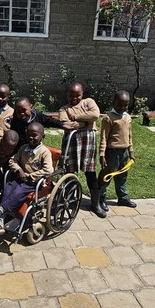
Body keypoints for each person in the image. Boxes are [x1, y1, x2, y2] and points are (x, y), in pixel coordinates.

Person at [0, 123, 53, 235]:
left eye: (34, 135)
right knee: (8, 187)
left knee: (18, 191)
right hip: (21, 178)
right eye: (28, 135)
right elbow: (12, 160)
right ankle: (1, 217)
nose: (31, 137)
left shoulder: (44, 152)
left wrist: (31, 176)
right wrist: (19, 170)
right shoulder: (23, 148)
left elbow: (48, 170)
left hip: (34, 182)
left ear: (42, 136)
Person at [59, 82, 105, 218]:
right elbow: (65, 123)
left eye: (77, 95)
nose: (74, 98)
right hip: (71, 142)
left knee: (90, 171)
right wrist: (86, 122)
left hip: (88, 141)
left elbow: (95, 114)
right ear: (67, 95)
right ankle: (69, 199)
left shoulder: (89, 102)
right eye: (71, 95)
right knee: (69, 170)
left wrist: (76, 118)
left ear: (82, 94)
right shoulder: (64, 109)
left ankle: (95, 204)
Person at [97, 90, 136, 209]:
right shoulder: (108, 118)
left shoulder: (128, 117)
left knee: (122, 176)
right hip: (112, 152)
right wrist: (102, 154)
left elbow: (129, 136)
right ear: (114, 102)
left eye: (125, 105)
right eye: (120, 104)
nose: (122, 107)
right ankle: (100, 199)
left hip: (124, 152)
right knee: (107, 176)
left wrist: (131, 152)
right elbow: (103, 137)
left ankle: (123, 198)